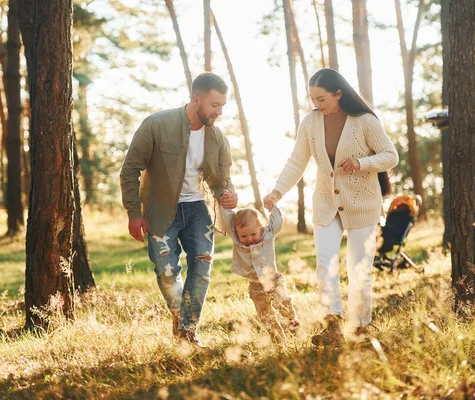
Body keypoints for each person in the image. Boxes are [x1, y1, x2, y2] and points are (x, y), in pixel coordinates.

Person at [263, 68, 399, 347]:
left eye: (322, 98)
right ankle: (333, 326)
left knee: (358, 267)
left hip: (362, 203)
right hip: (326, 203)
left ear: (338, 94)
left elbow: (390, 156)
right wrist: (277, 191)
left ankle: (361, 327)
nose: (316, 104)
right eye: (312, 98)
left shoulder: (364, 121)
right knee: (325, 264)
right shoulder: (310, 123)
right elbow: (296, 161)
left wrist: (363, 163)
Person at [120, 72, 238, 347]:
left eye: (222, 105)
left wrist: (227, 196)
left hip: (197, 208)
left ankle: (186, 332)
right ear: (196, 99)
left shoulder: (217, 137)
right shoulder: (156, 124)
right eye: (214, 105)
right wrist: (134, 213)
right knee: (166, 270)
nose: (219, 112)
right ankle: (183, 321)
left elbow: (221, 180)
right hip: (160, 209)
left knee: (203, 267)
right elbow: (130, 170)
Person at [219, 197, 299, 342]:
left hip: (273, 280)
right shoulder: (237, 240)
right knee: (264, 314)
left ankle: (292, 323)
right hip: (255, 286)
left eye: (253, 234)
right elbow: (227, 222)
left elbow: (277, 223)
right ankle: (277, 338)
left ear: (260, 229)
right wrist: (226, 206)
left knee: (283, 303)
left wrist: (273, 207)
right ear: (237, 233)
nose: (249, 239)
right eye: (244, 235)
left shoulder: (267, 235)